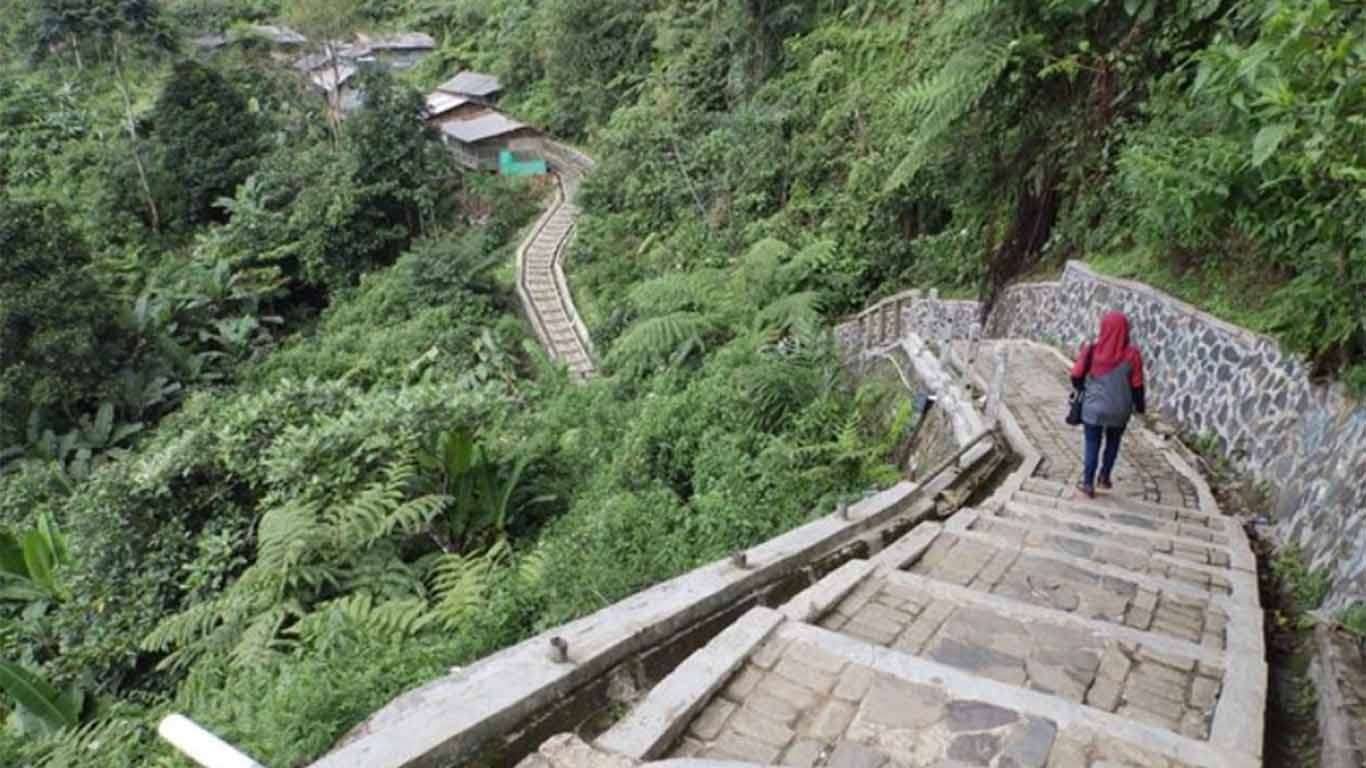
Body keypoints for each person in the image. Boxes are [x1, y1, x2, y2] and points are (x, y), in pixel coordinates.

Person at [1070, 311, 1146, 499]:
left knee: (1092, 442)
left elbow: (1076, 375)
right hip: (1120, 409)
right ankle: (1104, 476)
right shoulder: (1132, 355)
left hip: (1093, 407)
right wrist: (1140, 407)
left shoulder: (1091, 350)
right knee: (1113, 441)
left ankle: (1088, 483)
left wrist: (1085, 388)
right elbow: (1137, 385)